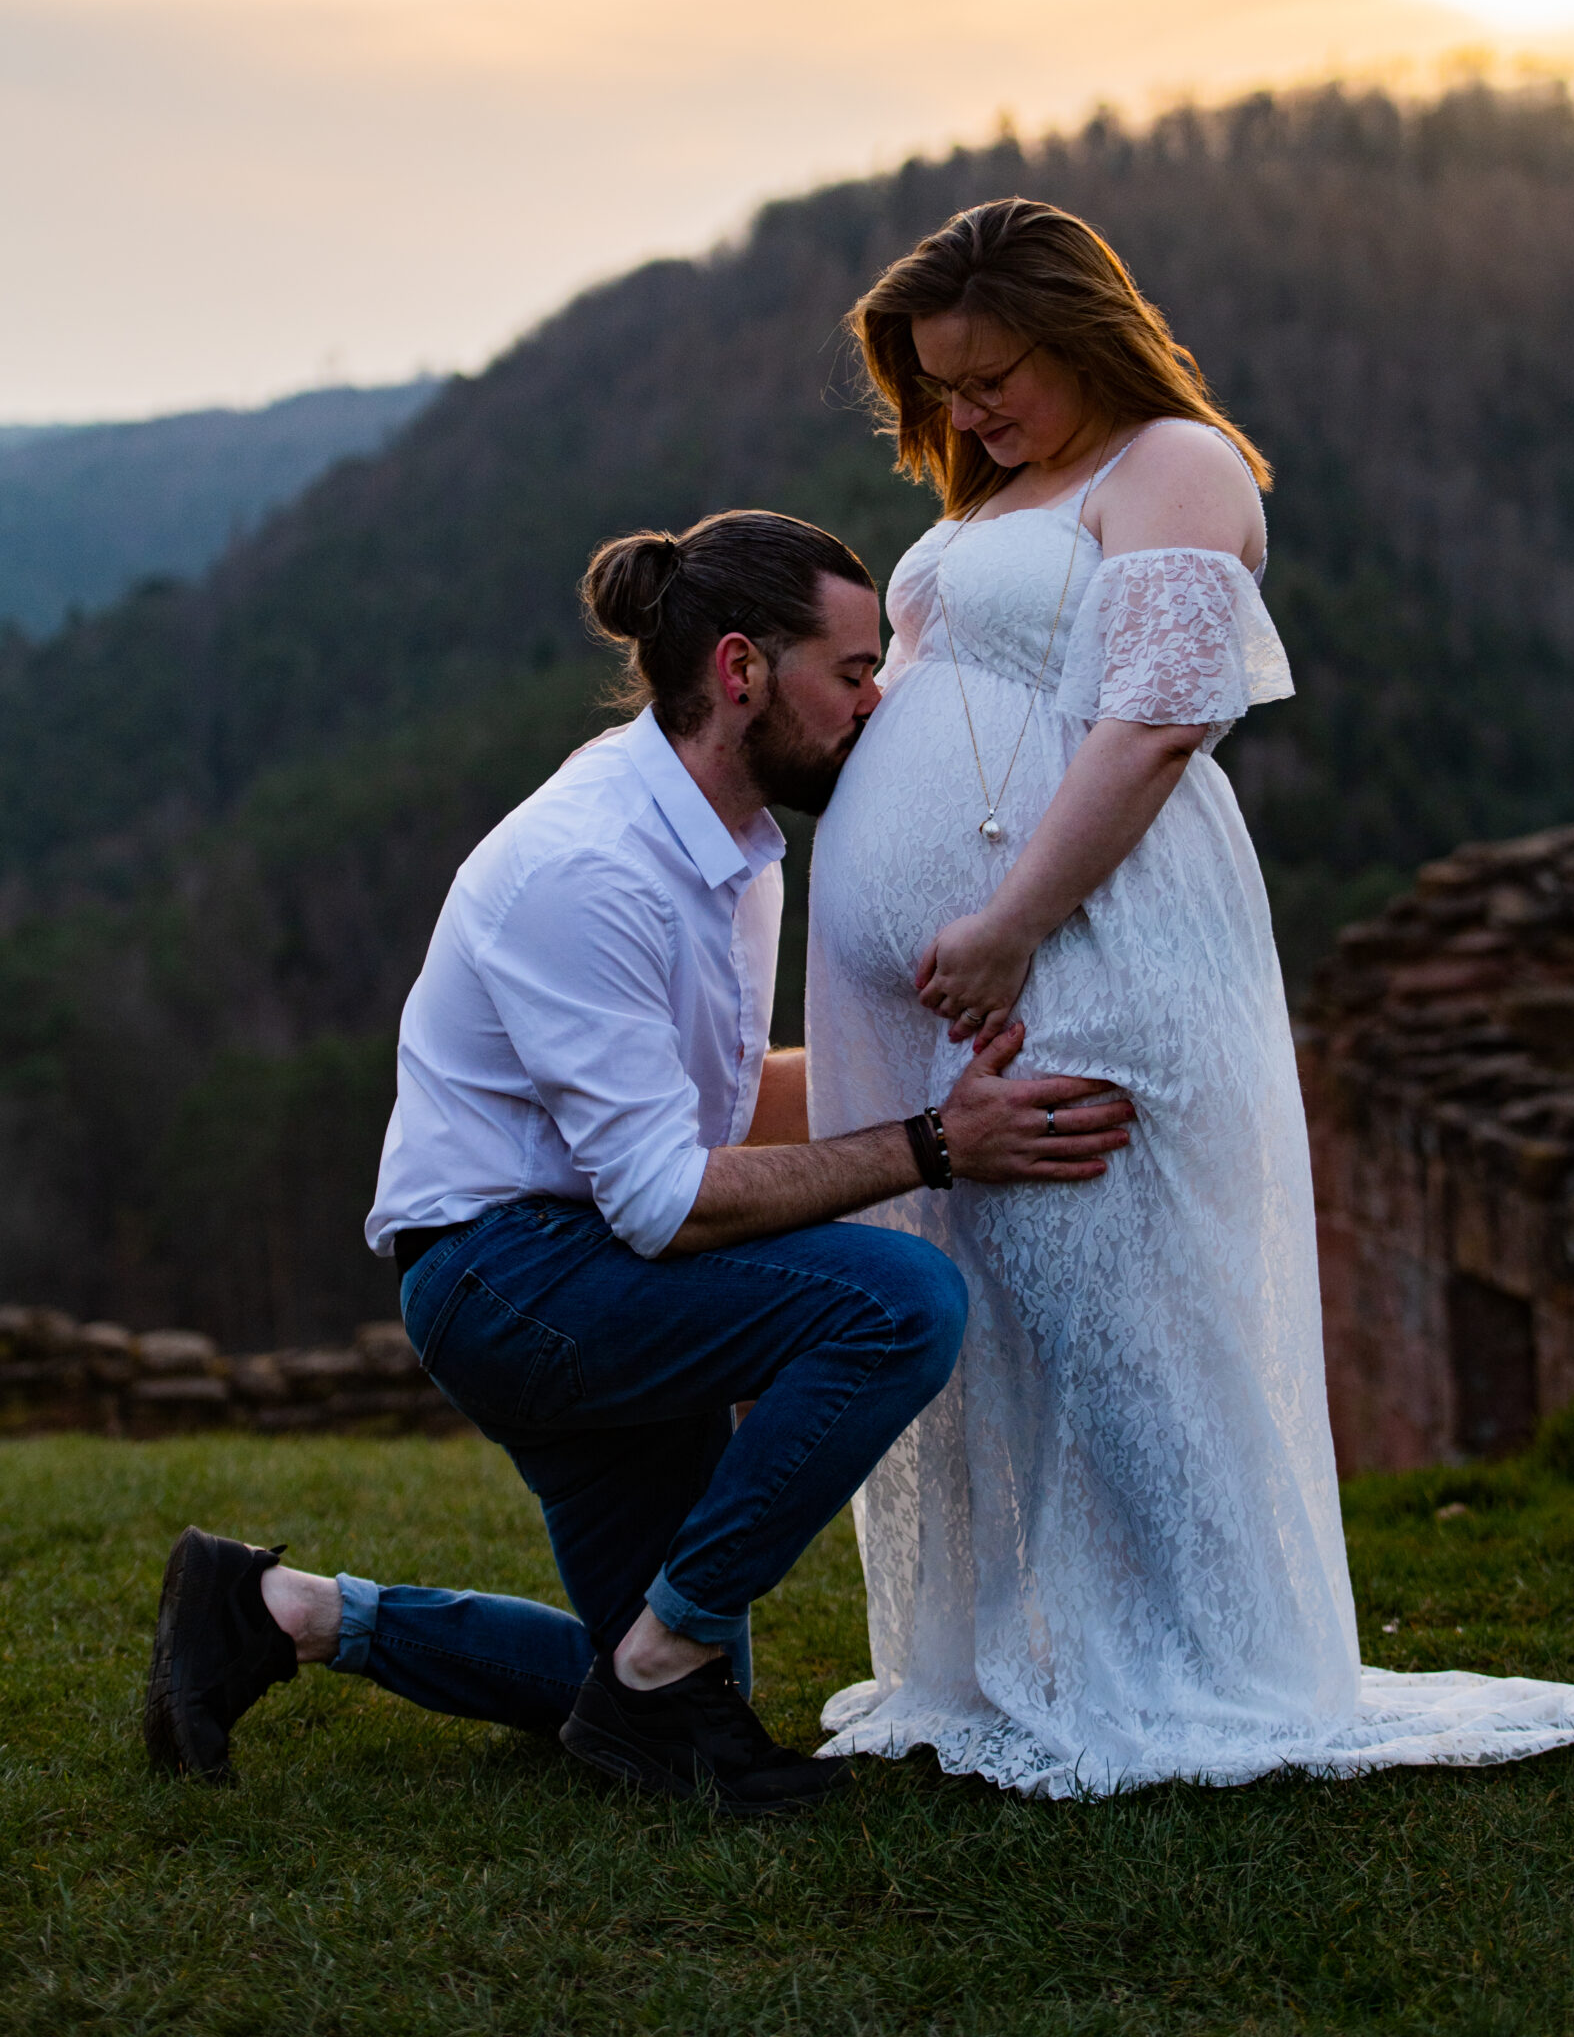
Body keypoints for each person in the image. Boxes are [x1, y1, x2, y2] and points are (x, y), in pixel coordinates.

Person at [807, 197, 1574, 1796]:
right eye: (943, 387)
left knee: (1121, 1310)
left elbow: (1156, 721)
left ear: (1079, 331)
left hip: (1100, 941)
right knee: (1013, 1327)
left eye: (995, 375)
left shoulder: (1172, 465)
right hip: (981, 970)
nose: (969, 412)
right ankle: (1037, 1655)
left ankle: (1202, 1668)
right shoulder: (1017, 489)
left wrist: (1005, 925)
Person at [144, 508, 1133, 1817]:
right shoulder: (593, 870)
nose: (873, 701)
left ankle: (278, 1612)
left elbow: (709, 1112)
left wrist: (940, 1093)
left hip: (582, 1256)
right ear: (741, 673)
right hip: (512, 1280)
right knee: (902, 1305)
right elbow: (668, 1200)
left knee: (657, 1680)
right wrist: (937, 1147)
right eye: (849, 670)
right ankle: (658, 1673)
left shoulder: (732, 847)